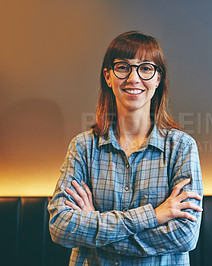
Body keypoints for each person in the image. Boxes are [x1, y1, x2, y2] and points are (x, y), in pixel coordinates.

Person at [48, 31, 203, 266]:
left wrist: (94, 224)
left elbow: (185, 235)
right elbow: (60, 226)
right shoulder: (83, 147)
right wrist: (153, 216)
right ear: (108, 77)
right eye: (123, 67)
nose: (134, 78)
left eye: (146, 68)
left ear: (158, 79)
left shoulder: (181, 147)